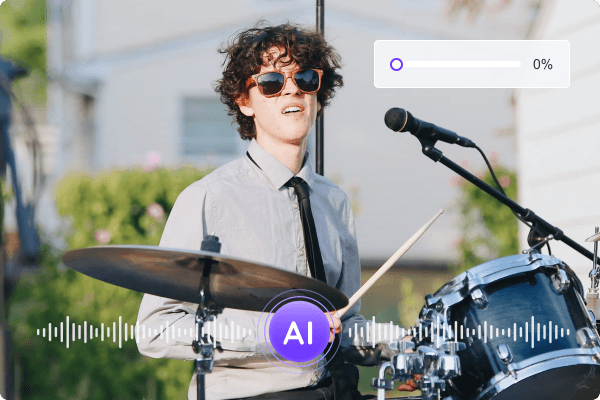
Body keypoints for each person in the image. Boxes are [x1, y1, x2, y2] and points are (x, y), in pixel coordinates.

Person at [136, 21, 415, 400]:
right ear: (244, 101)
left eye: (305, 78)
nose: (292, 90)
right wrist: (273, 334)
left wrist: (404, 346)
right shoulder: (209, 199)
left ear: (319, 91)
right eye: (271, 82)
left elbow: (343, 325)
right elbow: (155, 329)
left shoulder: (334, 201)